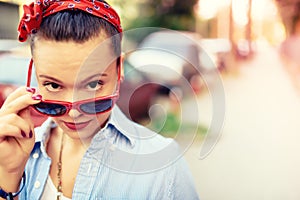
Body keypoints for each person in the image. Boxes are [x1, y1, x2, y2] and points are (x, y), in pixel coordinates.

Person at [0, 0, 199, 199]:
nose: (74, 112)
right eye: (53, 85)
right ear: (35, 73)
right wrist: (8, 175)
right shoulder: (16, 150)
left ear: (119, 69)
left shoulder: (163, 166)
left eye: (93, 84)